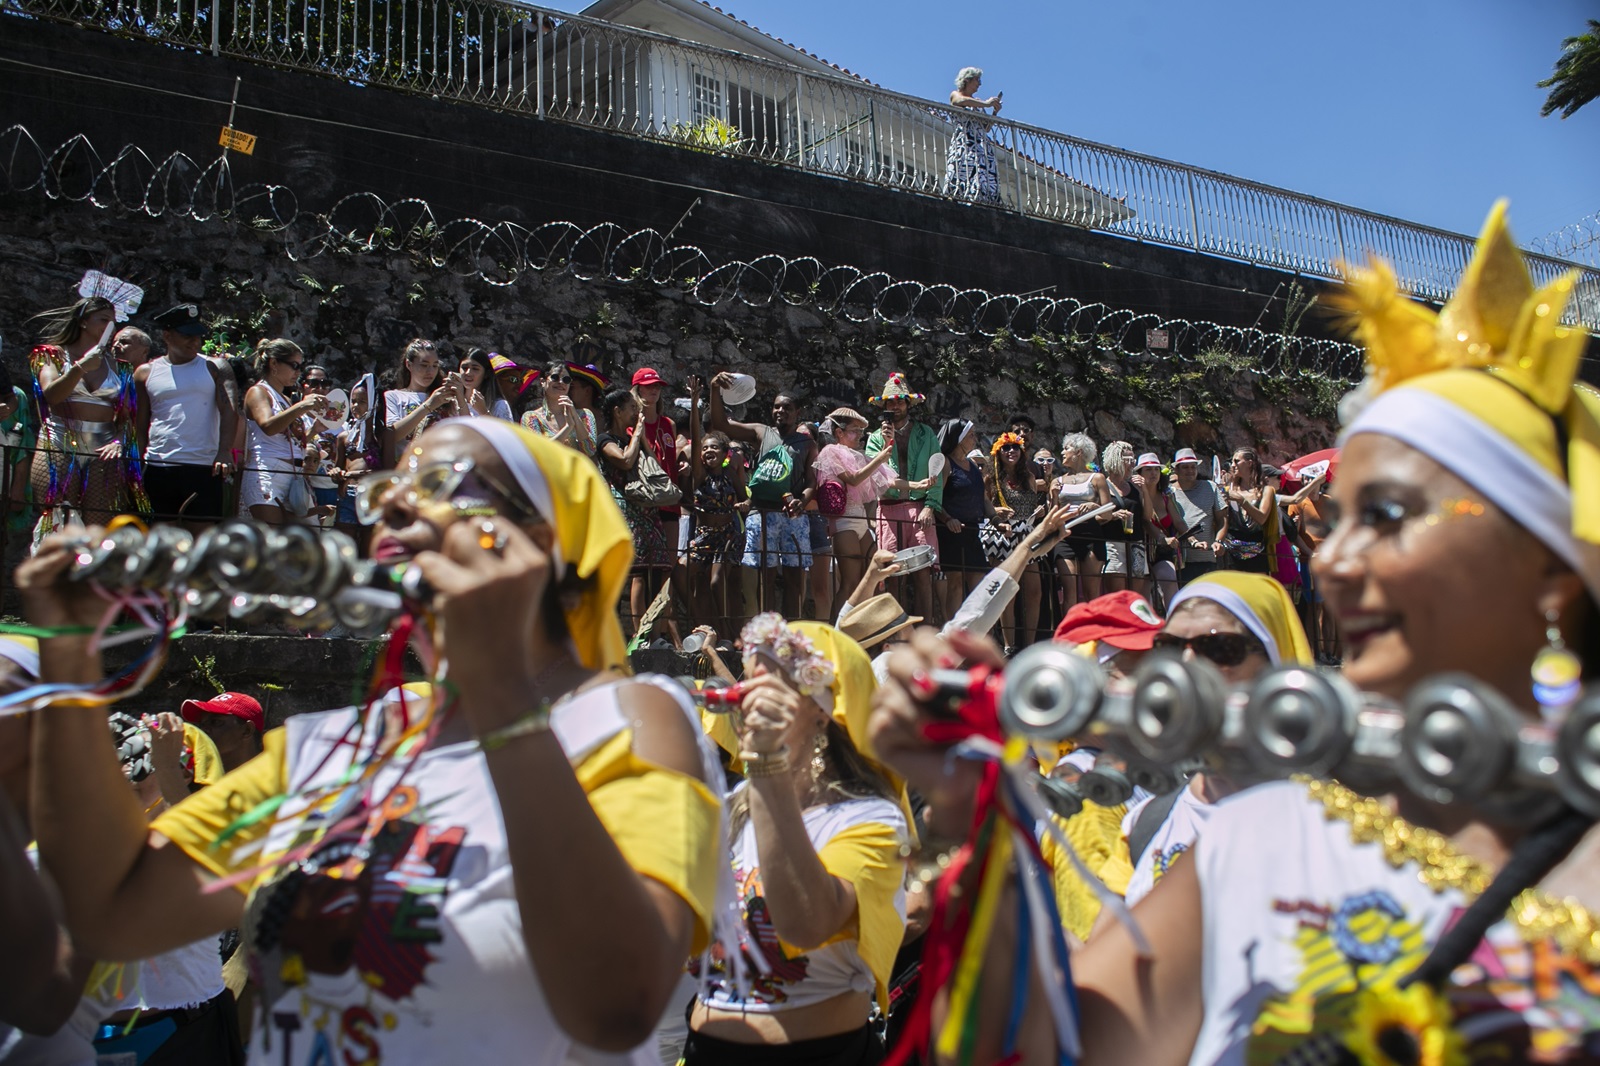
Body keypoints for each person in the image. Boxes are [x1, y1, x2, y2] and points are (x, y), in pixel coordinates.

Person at [867, 201, 1600, 1063]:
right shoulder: (1267, 833)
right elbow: (1044, 1048)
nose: (1335, 562)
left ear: (1550, 562)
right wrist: (971, 809)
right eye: (1339, 518)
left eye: (1391, 516)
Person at [22, 417, 728, 1065]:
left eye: (441, 488)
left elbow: (617, 1003)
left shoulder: (629, 717)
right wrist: (68, 654)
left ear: (540, 543)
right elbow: (114, 912)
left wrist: (496, 686)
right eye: (394, 491)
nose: (398, 511)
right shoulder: (352, 742)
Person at [686, 617, 909, 1066]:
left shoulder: (871, 817)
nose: (748, 698)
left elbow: (806, 923)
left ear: (821, 708)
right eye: (749, 682)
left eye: (771, 688)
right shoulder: (732, 808)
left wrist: (767, 766)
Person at [27, 295, 141, 532]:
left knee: (98, 524)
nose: (110, 326)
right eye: (103, 319)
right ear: (83, 322)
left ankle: (91, 568)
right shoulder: (52, 355)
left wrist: (119, 440)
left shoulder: (120, 366)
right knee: (58, 520)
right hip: (59, 439)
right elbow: (51, 395)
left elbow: (127, 416)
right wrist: (79, 368)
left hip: (103, 445)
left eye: (114, 321)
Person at [708, 378, 817, 621]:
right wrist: (715, 389)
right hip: (762, 514)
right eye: (777, 406)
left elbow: (811, 481)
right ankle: (768, 633)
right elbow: (720, 424)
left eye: (787, 407)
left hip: (793, 516)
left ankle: (792, 631)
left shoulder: (807, 444)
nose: (781, 411)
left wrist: (802, 499)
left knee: (794, 578)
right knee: (764, 579)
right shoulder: (761, 432)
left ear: (798, 412)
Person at [135, 304, 239, 527]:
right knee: (163, 536)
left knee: (203, 535)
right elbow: (141, 421)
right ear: (167, 336)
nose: (195, 342)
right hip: (159, 464)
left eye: (198, 336)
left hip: (202, 465)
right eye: (187, 336)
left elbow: (230, 409)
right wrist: (137, 460)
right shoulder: (146, 372)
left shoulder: (215, 367)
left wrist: (224, 451)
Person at [813, 407, 915, 622]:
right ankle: (836, 631)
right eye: (855, 430)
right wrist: (880, 457)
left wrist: (918, 485)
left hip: (860, 522)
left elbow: (885, 478)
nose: (860, 435)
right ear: (839, 432)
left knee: (870, 581)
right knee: (850, 582)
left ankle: (865, 629)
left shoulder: (857, 455)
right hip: (844, 523)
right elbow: (854, 479)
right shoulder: (830, 451)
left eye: (861, 431)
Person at [865, 373, 943, 623]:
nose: (895, 406)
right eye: (890, 402)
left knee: (923, 573)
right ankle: (896, 632)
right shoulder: (876, 439)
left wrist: (931, 506)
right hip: (888, 508)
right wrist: (888, 441)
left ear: (908, 404)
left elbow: (936, 470)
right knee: (892, 574)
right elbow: (879, 477)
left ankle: (927, 630)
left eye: (899, 401)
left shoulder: (925, 433)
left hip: (920, 506)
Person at [239, 339, 325, 524]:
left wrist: (313, 430)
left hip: (292, 475)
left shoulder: (284, 399)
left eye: (300, 366)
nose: (298, 372)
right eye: (294, 365)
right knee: (272, 539)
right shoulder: (258, 392)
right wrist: (301, 406)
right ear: (274, 363)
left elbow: (290, 441)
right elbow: (268, 426)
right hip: (267, 471)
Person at [683, 376, 745, 633]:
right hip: (704, 535)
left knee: (717, 582)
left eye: (714, 448)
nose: (708, 451)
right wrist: (696, 402)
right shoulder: (700, 475)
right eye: (705, 448)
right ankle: (702, 627)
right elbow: (696, 437)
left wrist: (745, 505)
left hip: (728, 534)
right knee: (685, 574)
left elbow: (745, 496)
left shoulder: (730, 472)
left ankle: (727, 633)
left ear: (723, 453)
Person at [932, 419, 992, 625]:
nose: (975, 438)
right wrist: (948, 519)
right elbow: (934, 498)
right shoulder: (946, 464)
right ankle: (954, 633)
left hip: (971, 531)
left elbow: (983, 498)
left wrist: (996, 519)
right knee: (955, 583)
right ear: (958, 440)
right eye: (971, 435)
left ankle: (976, 632)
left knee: (978, 584)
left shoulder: (973, 466)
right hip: (951, 532)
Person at [1048, 431, 1111, 615]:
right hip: (1065, 535)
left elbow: (1107, 513)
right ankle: (1069, 636)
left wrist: (1093, 506)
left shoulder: (1097, 478)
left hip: (1090, 534)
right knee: (1070, 591)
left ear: (1079, 452)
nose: (1062, 453)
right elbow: (1053, 514)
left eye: (1066, 448)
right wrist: (1052, 495)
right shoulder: (1057, 481)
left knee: (1092, 592)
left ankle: (1095, 635)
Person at [381, 338, 452, 465]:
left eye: (435, 366)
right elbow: (392, 435)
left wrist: (459, 397)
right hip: (407, 470)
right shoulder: (393, 396)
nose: (430, 372)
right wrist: (429, 406)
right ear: (409, 365)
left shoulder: (444, 397)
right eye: (424, 365)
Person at [944, 67, 1002, 205]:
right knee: (963, 171)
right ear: (967, 80)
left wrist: (994, 112)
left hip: (981, 147)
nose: (979, 84)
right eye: (977, 79)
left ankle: (983, 200)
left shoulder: (977, 102)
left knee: (982, 175)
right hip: (965, 144)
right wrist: (986, 103)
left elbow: (986, 128)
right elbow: (959, 101)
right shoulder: (956, 94)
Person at [1168, 446, 1226, 586]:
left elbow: (1222, 520)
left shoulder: (1210, 487)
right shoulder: (1169, 492)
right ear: (1176, 470)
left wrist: (1218, 541)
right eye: (1185, 467)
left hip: (1207, 558)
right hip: (1180, 560)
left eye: (1193, 467)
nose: (1190, 471)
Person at [1099, 441, 1148, 597]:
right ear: (1115, 460)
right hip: (1113, 543)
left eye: (1133, 460)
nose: (1132, 465)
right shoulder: (1102, 485)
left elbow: (1147, 516)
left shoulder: (1134, 486)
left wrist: (1144, 491)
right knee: (1118, 595)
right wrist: (1113, 516)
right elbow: (1097, 516)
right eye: (1128, 460)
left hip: (1136, 544)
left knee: (1134, 596)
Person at [1133, 452, 1181, 610]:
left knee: (1169, 578)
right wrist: (1161, 538)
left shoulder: (1166, 496)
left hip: (1162, 550)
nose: (1153, 473)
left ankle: (1173, 624)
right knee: (1144, 595)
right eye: (1148, 470)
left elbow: (1179, 521)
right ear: (1139, 473)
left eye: (1156, 469)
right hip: (1140, 548)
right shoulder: (1134, 496)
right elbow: (1145, 522)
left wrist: (1194, 540)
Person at [521, 359, 597, 457]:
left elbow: (590, 450)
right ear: (543, 381)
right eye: (555, 377)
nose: (561, 382)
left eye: (566, 379)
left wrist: (576, 419)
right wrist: (568, 427)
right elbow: (537, 452)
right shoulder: (531, 418)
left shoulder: (585, 415)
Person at [1219, 447, 1276, 574]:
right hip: (1231, 553)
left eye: (1237, 461)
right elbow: (1223, 520)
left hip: (1257, 552)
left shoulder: (1266, 491)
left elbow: (1261, 518)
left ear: (1250, 463)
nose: (1233, 465)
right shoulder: (1229, 490)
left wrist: (1242, 501)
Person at [180, 690, 266, 773]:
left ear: (247, 730)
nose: (203, 730)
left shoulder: (272, 781)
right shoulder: (194, 778)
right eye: (202, 724)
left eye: (215, 722)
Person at [452, 348, 495, 418]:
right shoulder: (450, 402)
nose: (468, 373)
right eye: (464, 368)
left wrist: (484, 412)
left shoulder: (498, 405)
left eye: (475, 369)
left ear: (486, 374)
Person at [487, 351, 520, 420]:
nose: (519, 384)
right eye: (513, 379)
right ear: (497, 380)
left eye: (521, 381)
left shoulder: (516, 413)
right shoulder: (499, 405)